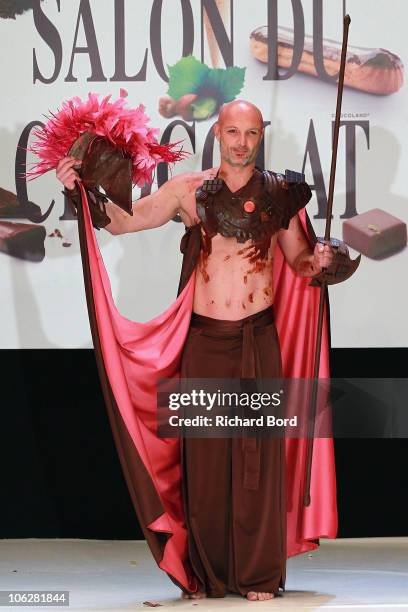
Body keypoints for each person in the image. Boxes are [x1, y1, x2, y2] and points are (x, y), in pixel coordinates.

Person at [56, 99, 334, 602]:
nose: (242, 143)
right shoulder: (190, 192)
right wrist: (79, 189)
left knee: (257, 468)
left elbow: (301, 266)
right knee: (204, 467)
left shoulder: (282, 195)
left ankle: (255, 577)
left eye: (251, 133)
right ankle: (206, 575)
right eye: (233, 132)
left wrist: (322, 259)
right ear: (218, 133)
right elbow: (124, 222)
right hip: (204, 345)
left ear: (260, 135)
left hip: (259, 341)